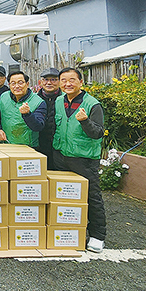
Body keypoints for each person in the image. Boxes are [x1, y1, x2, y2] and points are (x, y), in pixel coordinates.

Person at [53, 67, 106, 253]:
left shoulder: (93, 104)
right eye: (64, 80)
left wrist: (85, 121)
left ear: (81, 82)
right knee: (63, 197)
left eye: (72, 80)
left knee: (92, 196)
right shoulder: (60, 101)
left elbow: (98, 133)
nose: (67, 84)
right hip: (61, 156)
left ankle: (98, 236)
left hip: (84, 159)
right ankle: (65, 232)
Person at [0, 71, 46, 146]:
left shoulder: (38, 101)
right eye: (13, 83)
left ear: (27, 84)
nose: (17, 86)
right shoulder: (4, 97)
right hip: (6, 144)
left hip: (28, 147)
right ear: (9, 85)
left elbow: (38, 127)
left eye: (20, 82)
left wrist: (27, 114)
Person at [36, 68, 62, 169]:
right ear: (40, 82)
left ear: (59, 82)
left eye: (53, 80)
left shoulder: (65, 99)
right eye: (46, 80)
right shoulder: (34, 99)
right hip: (38, 145)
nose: (49, 83)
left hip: (59, 148)